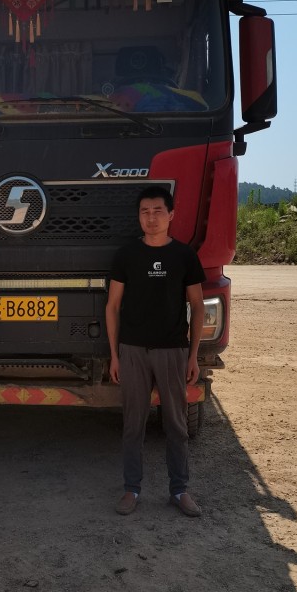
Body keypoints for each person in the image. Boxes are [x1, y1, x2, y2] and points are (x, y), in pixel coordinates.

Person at [105, 185, 206, 517]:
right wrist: (115, 355)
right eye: (145, 212)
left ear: (171, 214)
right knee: (133, 424)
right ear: (139, 217)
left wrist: (193, 355)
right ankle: (131, 489)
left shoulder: (184, 256)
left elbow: (197, 306)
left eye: (158, 211)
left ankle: (179, 491)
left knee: (176, 424)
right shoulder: (126, 255)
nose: (151, 218)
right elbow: (112, 307)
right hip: (132, 350)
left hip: (172, 351)